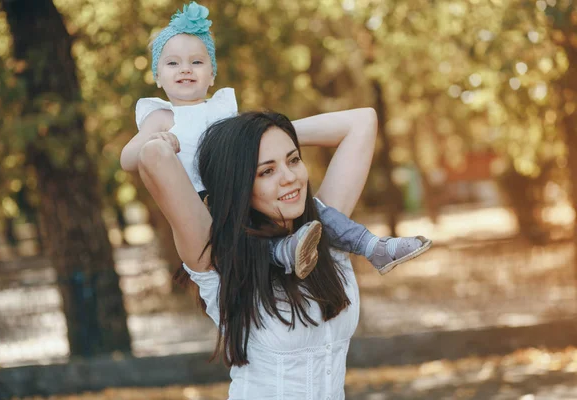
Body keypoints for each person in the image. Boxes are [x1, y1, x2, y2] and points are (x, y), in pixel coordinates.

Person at [121, 1, 431, 279]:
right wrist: (159, 142)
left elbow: (257, 144)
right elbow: (129, 158)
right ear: (158, 77)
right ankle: (282, 253)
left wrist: (275, 135)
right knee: (236, 239)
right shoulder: (161, 117)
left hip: (245, 189)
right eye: (173, 63)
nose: (185, 69)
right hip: (207, 203)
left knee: (318, 210)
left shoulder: (222, 109)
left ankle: (371, 245)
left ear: (212, 75)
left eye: (197, 62)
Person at [139, 109, 377, 399]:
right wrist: (239, 145)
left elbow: (362, 121)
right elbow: (154, 157)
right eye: (266, 171)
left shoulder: (326, 232)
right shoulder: (218, 256)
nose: (289, 177)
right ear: (240, 184)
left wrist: (267, 133)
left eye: (293, 159)